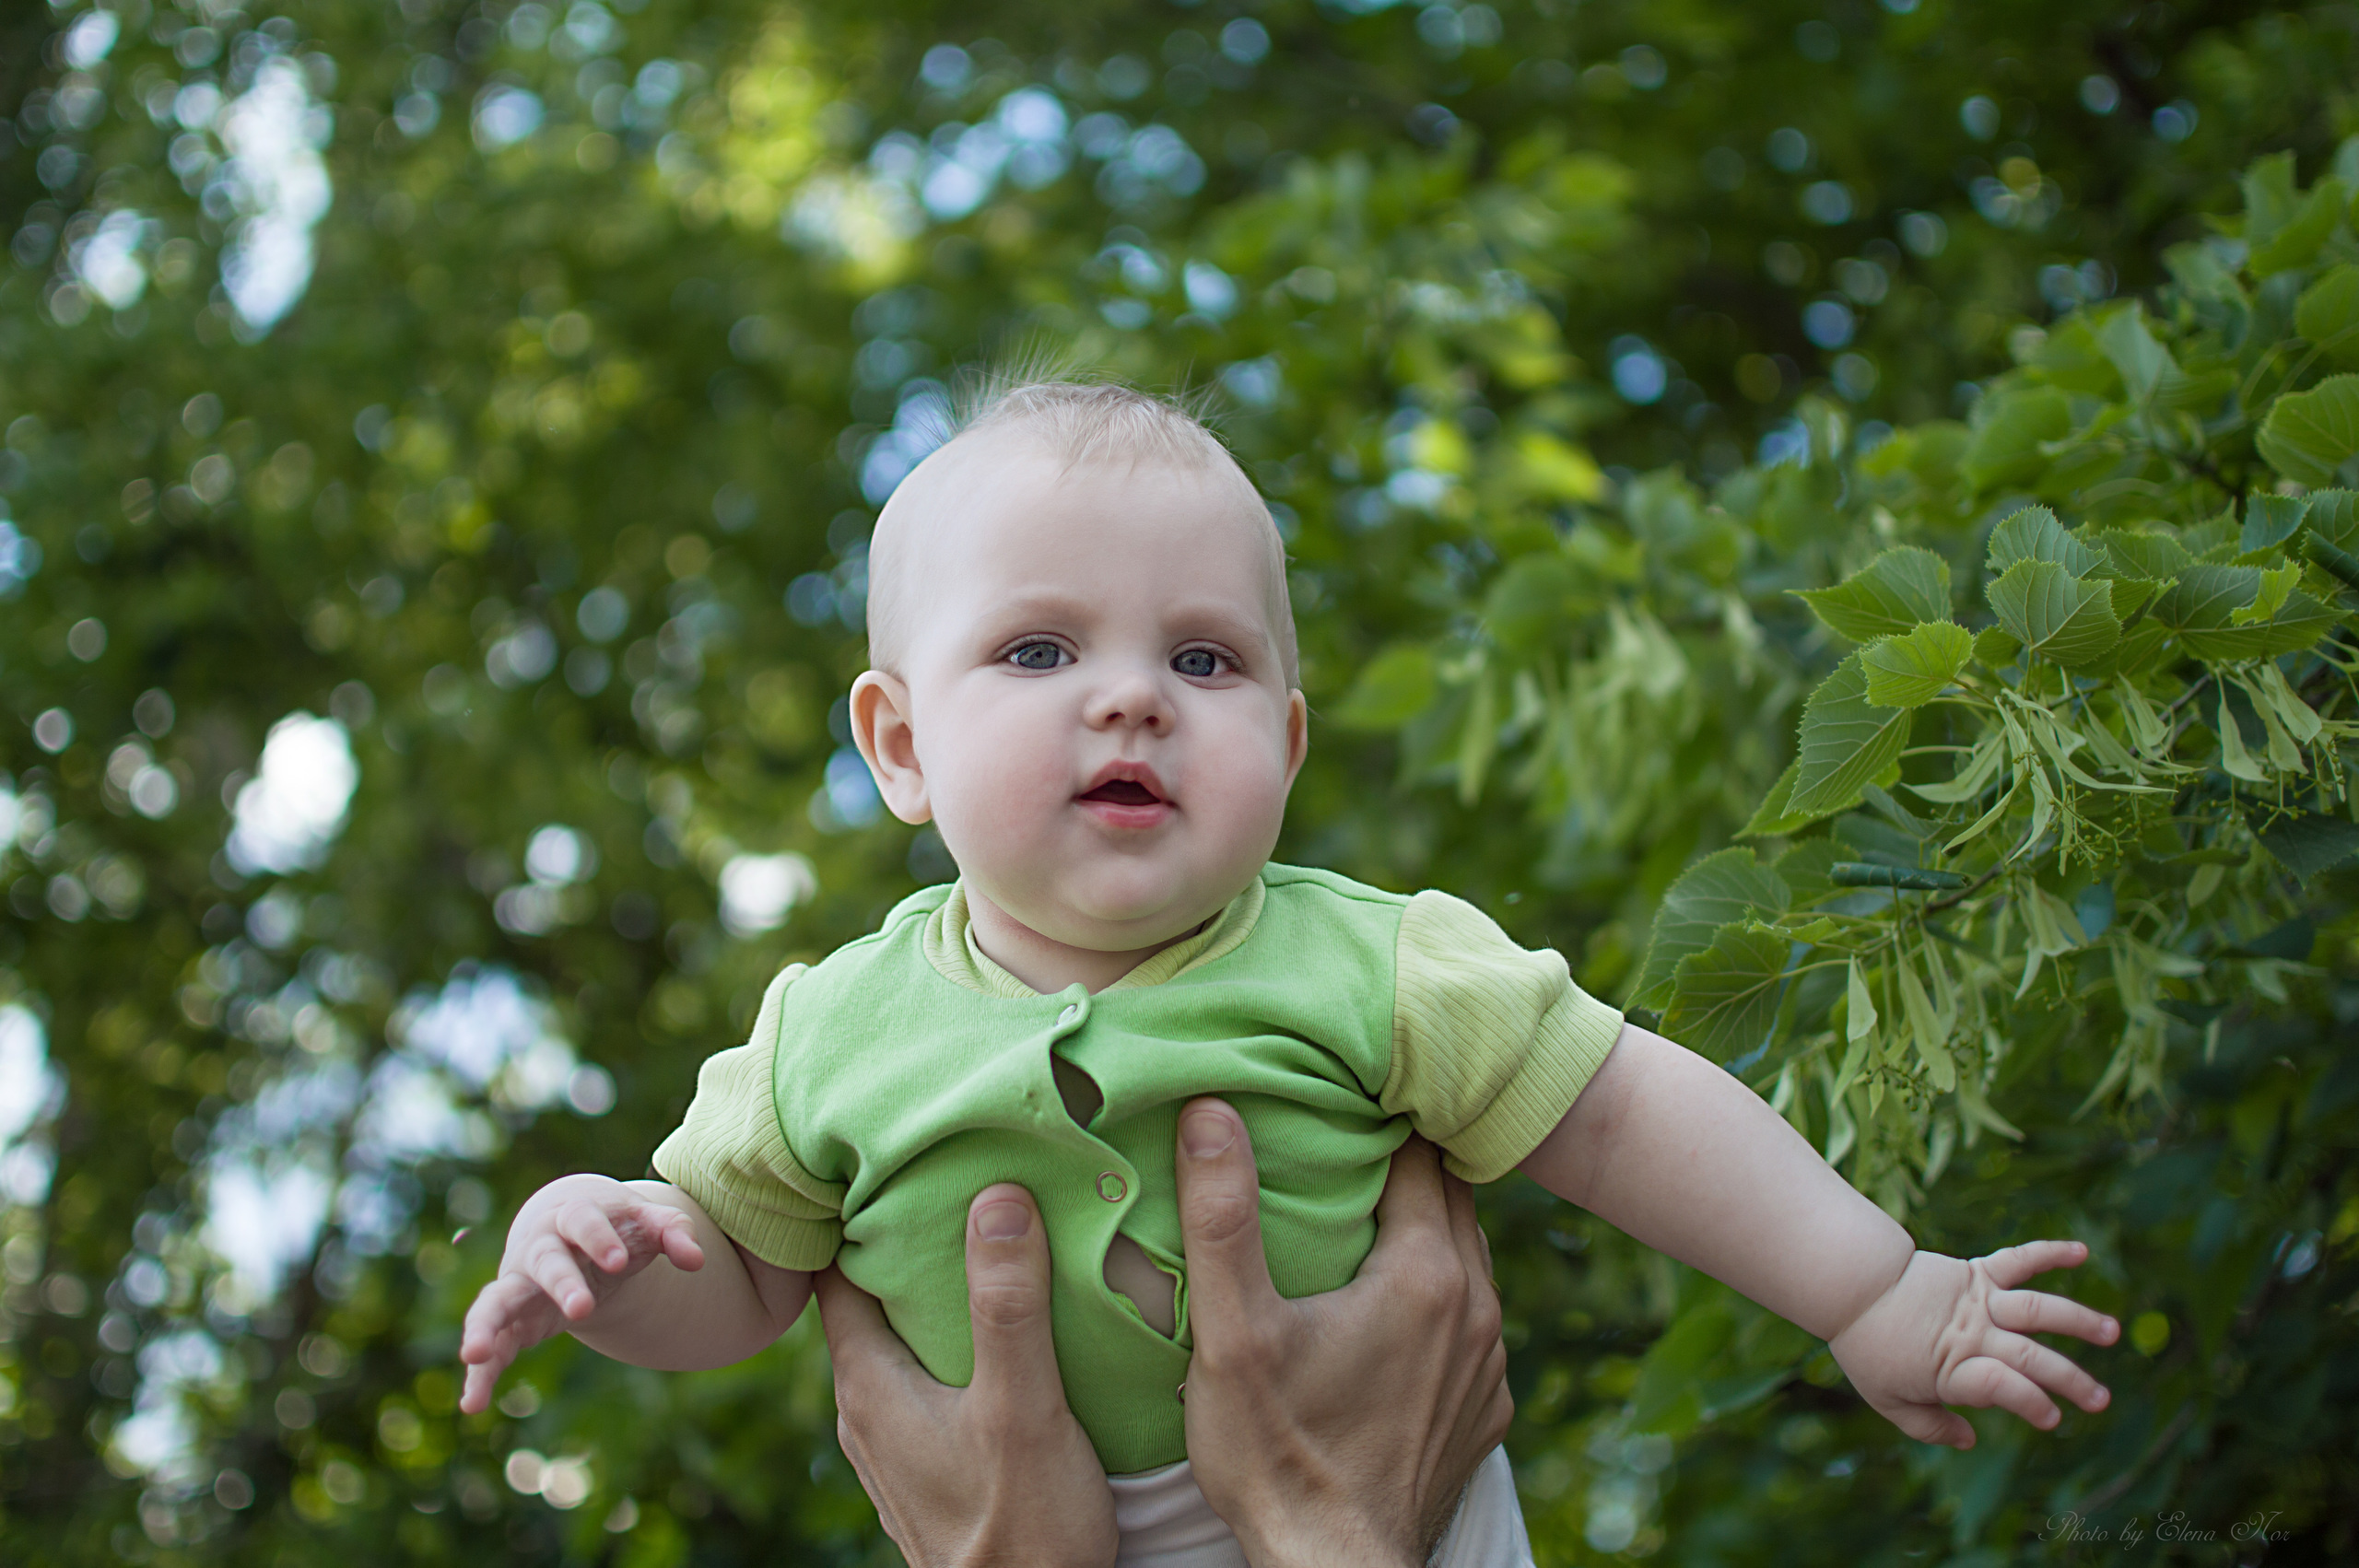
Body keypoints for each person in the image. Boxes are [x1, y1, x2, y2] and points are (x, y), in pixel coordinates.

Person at [460, 380, 2118, 1565]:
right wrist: (607, 1265)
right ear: (899, 744)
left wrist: (1871, 1287)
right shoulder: (826, 1035)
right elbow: (740, 1285)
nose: (1132, 696)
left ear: (1287, 740)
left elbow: (1617, 1111)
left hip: (1390, 1501)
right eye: (1040, 649)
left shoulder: (1369, 958)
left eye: (1205, 657)